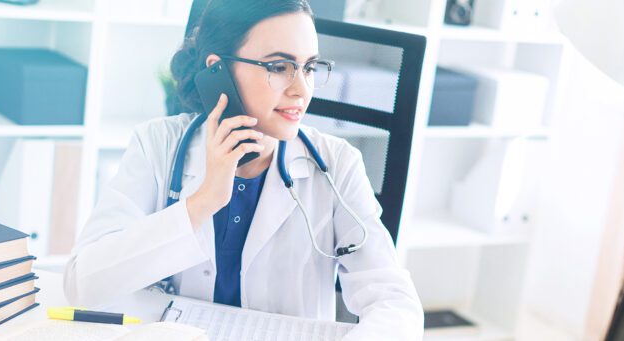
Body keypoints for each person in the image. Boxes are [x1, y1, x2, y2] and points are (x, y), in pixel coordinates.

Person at [63, 0, 423, 338]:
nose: (302, 89)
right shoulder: (158, 145)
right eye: (279, 67)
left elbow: (393, 300)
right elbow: (84, 284)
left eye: (309, 67)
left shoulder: (336, 164)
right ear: (218, 70)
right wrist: (202, 201)